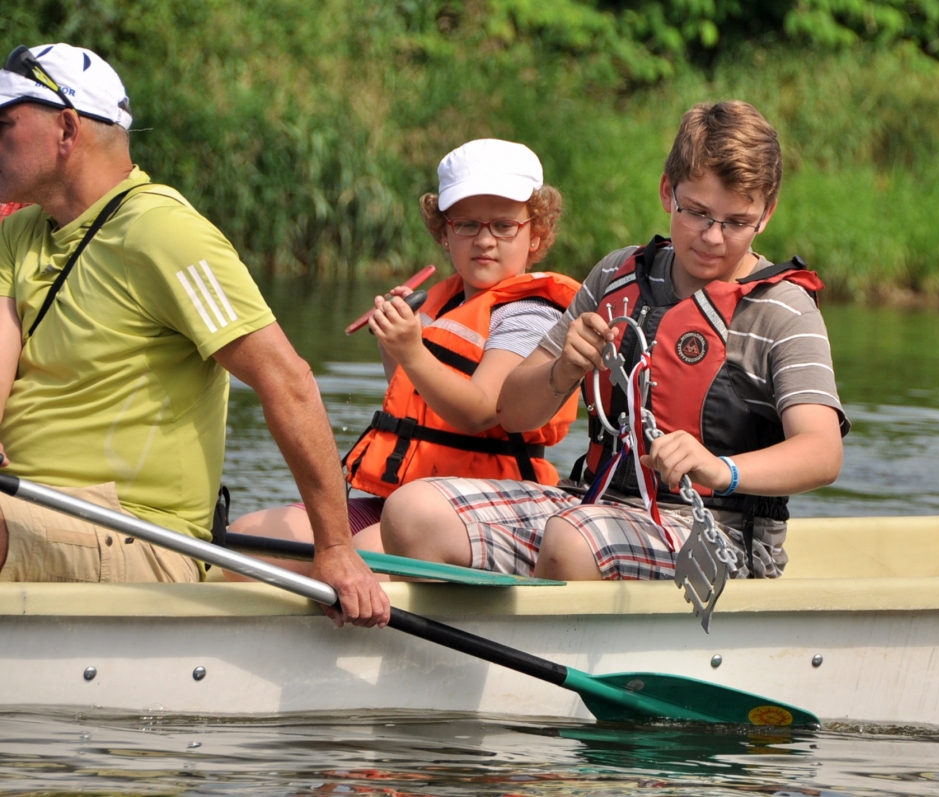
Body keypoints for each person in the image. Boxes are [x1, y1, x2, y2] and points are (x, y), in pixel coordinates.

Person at [0, 42, 388, 627]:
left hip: (136, 534)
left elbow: (288, 380)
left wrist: (335, 549)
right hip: (27, 505)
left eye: (3, 123)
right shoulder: (20, 232)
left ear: (67, 128)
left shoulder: (162, 232)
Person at [379, 100, 849, 580]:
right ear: (668, 192)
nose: (712, 237)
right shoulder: (615, 274)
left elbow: (822, 451)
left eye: (735, 222)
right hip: (593, 502)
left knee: (573, 540)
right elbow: (513, 413)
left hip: (719, 535)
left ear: (766, 214)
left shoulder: (785, 309)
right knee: (412, 512)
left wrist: (721, 469)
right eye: (697, 213)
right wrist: (561, 370)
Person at [228, 139, 580, 566]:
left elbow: (482, 410)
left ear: (536, 235)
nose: (484, 240)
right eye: (466, 225)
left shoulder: (530, 314)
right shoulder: (441, 305)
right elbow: (415, 397)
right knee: (248, 541)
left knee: (365, 556)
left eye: (503, 225)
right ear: (444, 235)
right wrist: (394, 342)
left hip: (483, 509)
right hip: (405, 500)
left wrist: (412, 350)